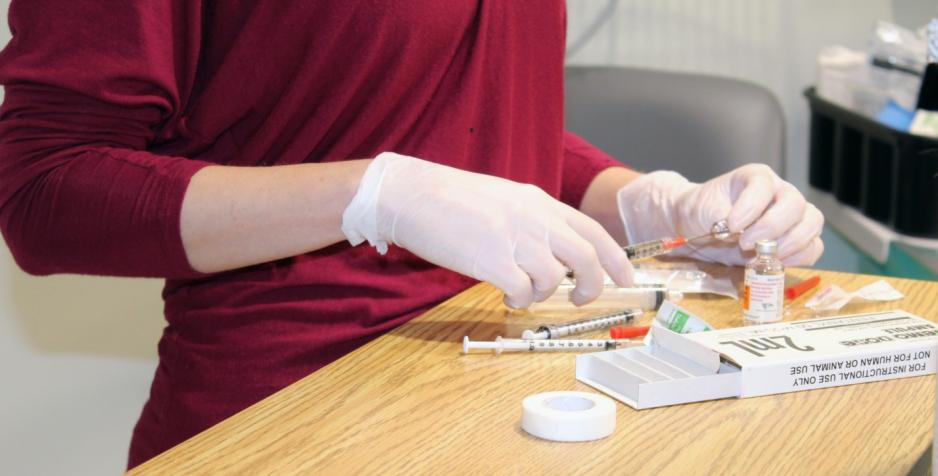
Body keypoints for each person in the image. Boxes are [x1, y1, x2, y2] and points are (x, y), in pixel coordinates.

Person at [0, 1, 823, 469]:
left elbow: (460, 127)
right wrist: (372, 194)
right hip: (287, 424)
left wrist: (650, 205)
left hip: (495, 399)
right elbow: (45, 190)